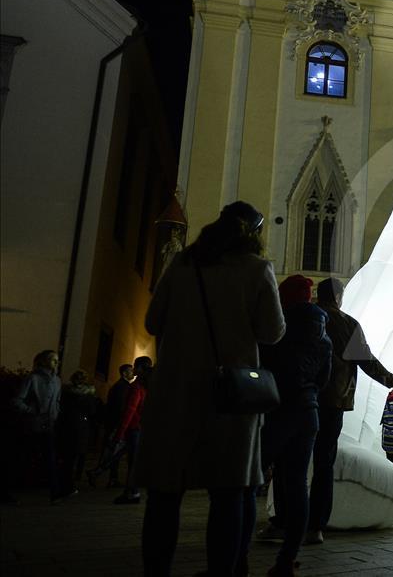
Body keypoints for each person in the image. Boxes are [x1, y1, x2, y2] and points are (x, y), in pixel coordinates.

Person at [137, 201, 286, 577]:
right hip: (230, 397)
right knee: (229, 493)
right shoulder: (257, 269)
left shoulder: (183, 265)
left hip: (176, 395)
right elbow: (272, 331)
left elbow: (153, 322)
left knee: (164, 494)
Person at [265, 276, 393, 546]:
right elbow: (367, 361)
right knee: (324, 464)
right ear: (339, 297)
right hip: (333, 402)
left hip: (296, 398)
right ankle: (316, 526)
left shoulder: (297, 317)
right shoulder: (347, 323)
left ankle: (283, 521)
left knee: (288, 463)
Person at [258, 274, 332, 577]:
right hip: (309, 411)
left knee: (251, 479)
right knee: (298, 483)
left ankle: (236, 560)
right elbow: (323, 381)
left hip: (276, 411)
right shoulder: (323, 337)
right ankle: (287, 559)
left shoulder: (278, 328)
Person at [12, 350, 62, 503]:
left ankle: (55, 492)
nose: (56, 362)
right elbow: (17, 400)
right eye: (53, 360)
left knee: (50, 458)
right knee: (23, 458)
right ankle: (10, 491)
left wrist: (55, 413)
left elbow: (57, 401)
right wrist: (31, 411)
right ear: (44, 361)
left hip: (49, 425)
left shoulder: (57, 381)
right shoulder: (32, 378)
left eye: (57, 360)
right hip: (32, 425)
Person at [112, 356, 153, 504]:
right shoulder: (149, 386)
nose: (133, 369)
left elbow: (130, 410)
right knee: (135, 461)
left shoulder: (136, 387)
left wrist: (120, 432)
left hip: (134, 428)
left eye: (135, 366)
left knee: (132, 462)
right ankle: (132, 491)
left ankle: (132, 492)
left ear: (140, 368)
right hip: (144, 428)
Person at [57, 369, 99, 498]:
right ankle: (72, 482)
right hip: (81, 427)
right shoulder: (88, 395)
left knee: (66, 457)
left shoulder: (65, 392)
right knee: (77, 455)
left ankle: (63, 481)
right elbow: (92, 411)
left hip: (66, 426)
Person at [101, 364, 136, 487]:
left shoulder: (120, 386)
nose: (133, 373)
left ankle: (111, 476)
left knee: (116, 451)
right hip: (117, 424)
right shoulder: (123, 387)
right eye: (130, 371)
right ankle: (110, 477)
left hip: (115, 423)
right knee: (116, 451)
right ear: (124, 373)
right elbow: (121, 408)